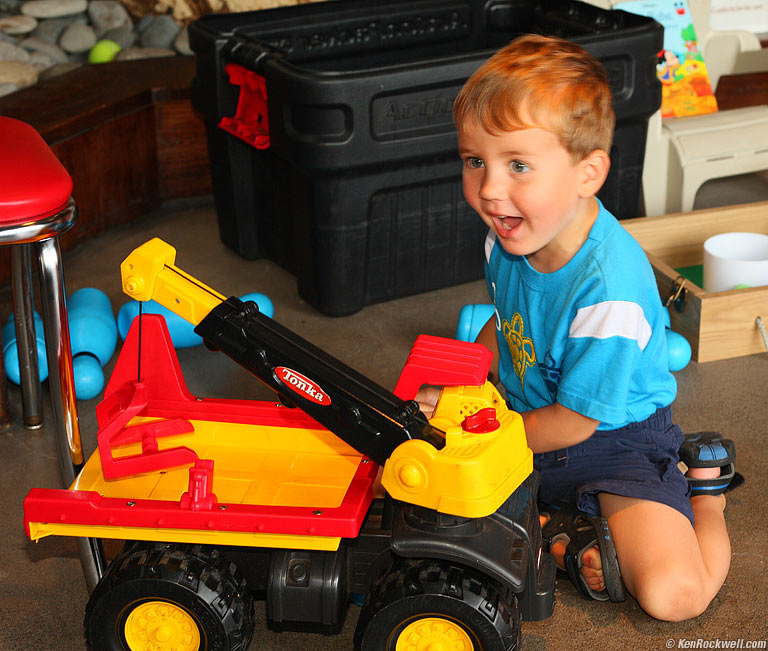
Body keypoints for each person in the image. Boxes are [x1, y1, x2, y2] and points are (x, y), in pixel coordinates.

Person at [419, 34, 735, 621]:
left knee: (673, 596)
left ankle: (703, 492)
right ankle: (566, 531)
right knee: (410, 499)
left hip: (611, 440)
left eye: (518, 165)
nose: (489, 189)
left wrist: (482, 436)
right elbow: (505, 325)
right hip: (530, 419)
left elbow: (574, 420)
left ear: (588, 173)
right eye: (475, 161)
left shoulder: (609, 290)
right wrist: (463, 389)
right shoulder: (509, 229)